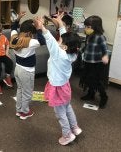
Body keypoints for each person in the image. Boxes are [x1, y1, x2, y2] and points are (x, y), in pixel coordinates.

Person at [33, 13, 82, 146]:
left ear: (64, 46)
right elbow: (65, 35)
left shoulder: (57, 54)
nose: (58, 40)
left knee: (60, 113)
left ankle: (67, 135)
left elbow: (49, 39)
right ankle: (75, 128)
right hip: (65, 86)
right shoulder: (72, 54)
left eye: (60, 40)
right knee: (68, 107)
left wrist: (41, 27)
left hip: (57, 88)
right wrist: (60, 23)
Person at [10, 12, 46, 120]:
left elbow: (13, 27)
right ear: (30, 33)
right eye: (34, 33)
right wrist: (39, 28)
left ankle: (19, 110)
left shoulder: (14, 37)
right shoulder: (30, 42)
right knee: (27, 93)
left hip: (17, 69)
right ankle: (25, 112)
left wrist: (18, 19)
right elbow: (42, 41)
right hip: (27, 71)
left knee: (20, 89)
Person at [79, 15, 109, 109]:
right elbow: (87, 46)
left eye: (88, 27)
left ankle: (104, 97)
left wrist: (105, 56)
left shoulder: (100, 37)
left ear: (96, 27)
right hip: (88, 61)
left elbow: (105, 49)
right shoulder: (89, 36)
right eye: (85, 26)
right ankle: (90, 94)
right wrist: (80, 50)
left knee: (97, 81)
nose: (86, 29)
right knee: (88, 79)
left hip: (97, 63)